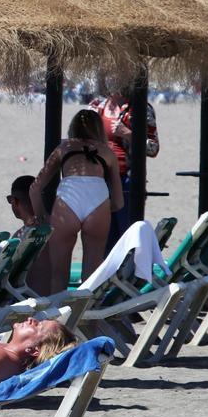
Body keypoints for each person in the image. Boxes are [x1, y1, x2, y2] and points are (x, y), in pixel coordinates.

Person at [30, 109, 123, 295]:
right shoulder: (107, 152)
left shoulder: (64, 147)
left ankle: (56, 321)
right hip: (98, 199)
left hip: (68, 200)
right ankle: (86, 319)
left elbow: (35, 187)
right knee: (92, 275)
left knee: (58, 274)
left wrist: (42, 216)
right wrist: (104, 208)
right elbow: (119, 201)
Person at [90, 91, 159, 249]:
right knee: (102, 236)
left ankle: (127, 272)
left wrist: (128, 134)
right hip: (99, 180)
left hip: (127, 180)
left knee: (127, 234)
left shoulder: (141, 109)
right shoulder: (96, 106)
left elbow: (153, 148)